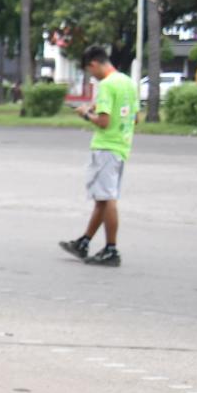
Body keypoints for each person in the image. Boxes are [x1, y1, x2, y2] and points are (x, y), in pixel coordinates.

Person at [60, 45, 137, 267]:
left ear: (94, 63)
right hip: (122, 146)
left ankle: (111, 249)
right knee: (102, 199)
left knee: (107, 198)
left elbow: (103, 121)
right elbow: (135, 117)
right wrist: (95, 107)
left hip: (106, 146)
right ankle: (84, 242)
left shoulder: (107, 85)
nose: (91, 75)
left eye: (89, 70)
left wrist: (86, 114)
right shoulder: (127, 83)